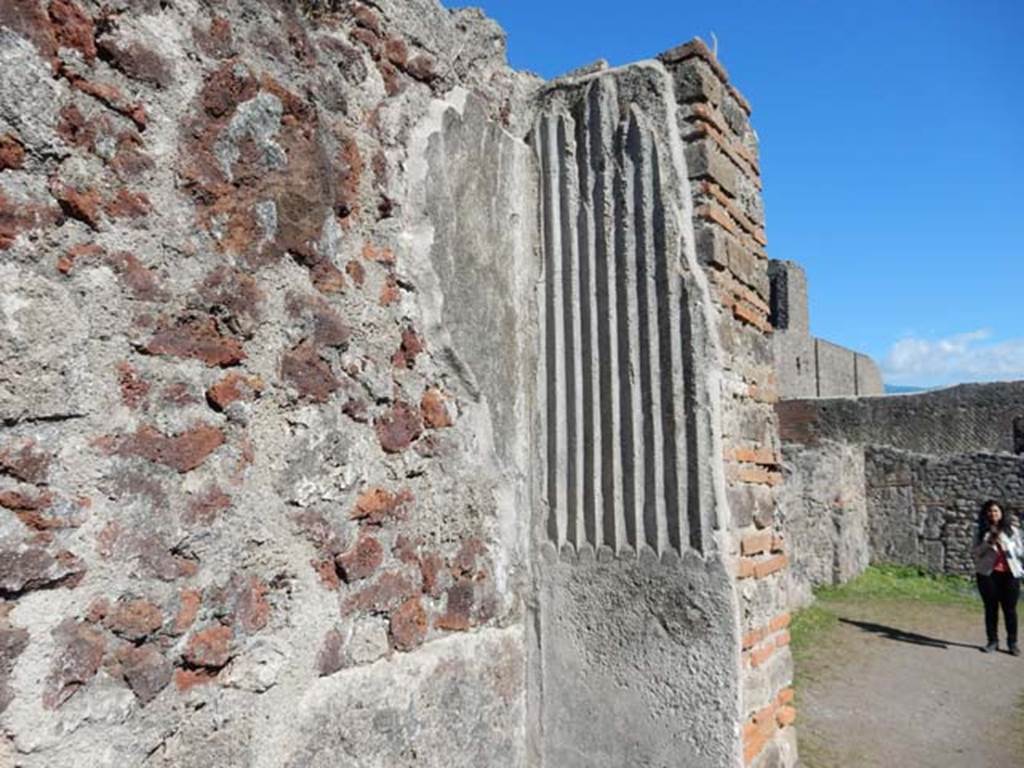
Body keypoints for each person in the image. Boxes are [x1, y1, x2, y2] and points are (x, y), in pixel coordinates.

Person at [972, 500, 1024, 654]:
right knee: (991, 609)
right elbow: (975, 553)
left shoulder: (1012, 531)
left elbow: (1021, 551)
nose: (993, 514)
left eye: (996, 511)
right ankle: (992, 641)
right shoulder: (981, 531)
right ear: (986, 514)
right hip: (988, 574)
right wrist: (988, 542)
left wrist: (1007, 544)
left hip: (1010, 574)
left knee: (1010, 610)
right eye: (990, 511)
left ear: (1001, 513)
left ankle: (1012, 643)